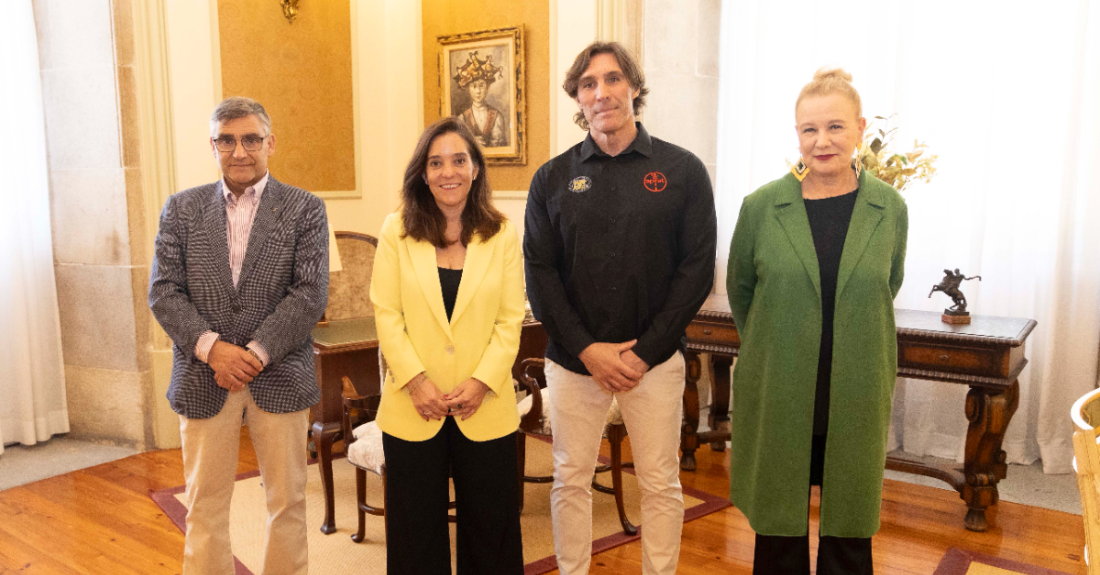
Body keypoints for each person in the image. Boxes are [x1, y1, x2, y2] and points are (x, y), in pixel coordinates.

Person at [524, 41, 717, 575]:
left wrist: (645, 352)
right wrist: (588, 350)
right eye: (588, 84)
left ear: (634, 86)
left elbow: (696, 269)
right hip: (573, 363)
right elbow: (539, 274)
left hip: (653, 363)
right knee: (570, 480)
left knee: (660, 483)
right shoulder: (551, 178)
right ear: (578, 98)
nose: (601, 92)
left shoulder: (683, 170)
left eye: (612, 79)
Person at [726, 68, 908, 574]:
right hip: (781, 386)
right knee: (778, 525)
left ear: (860, 128)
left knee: (849, 527)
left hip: (855, 389)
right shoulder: (762, 207)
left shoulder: (889, 208)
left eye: (835, 127)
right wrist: (778, 341)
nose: (821, 141)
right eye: (809, 129)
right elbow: (743, 293)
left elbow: (886, 284)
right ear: (797, 135)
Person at [149, 96, 328, 575]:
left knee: (287, 503)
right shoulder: (180, 210)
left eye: (250, 139)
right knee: (205, 507)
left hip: (281, 373)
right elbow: (163, 292)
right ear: (212, 146)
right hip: (204, 376)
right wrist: (214, 351)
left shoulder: (305, 209)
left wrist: (254, 352)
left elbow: (309, 294)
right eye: (226, 140)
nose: (240, 151)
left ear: (270, 143)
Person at [370, 117, 526, 574]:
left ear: (476, 168)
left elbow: (509, 320)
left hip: (485, 407)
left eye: (459, 160)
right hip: (413, 408)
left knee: (492, 533)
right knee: (415, 537)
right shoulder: (395, 230)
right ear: (423, 173)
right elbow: (387, 314)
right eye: (435, 163)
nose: (448, 172)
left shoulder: (502, 234)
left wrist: (481, 383)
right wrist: (415, 382)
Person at [453, 51, 508, 148]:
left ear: (487, 88)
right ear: (468, 90)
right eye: (474, 86)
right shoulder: (462, 119)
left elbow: (500, 145)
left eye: (481, 86)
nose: (478, 91)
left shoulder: (496, 116)